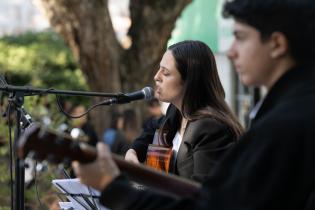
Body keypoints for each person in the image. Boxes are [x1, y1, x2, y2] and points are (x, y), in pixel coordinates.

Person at [72, 0, 315, 209]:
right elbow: (148, 133)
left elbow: (210, 203)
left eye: (239, 37)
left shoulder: (283, 124)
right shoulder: (173, 115)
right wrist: (133, 153)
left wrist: (114, 188)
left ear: (277, 44)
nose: (230, 52)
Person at [124, 40, 243, 182]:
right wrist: (134, 151)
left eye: (166, 73)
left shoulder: (211, 129)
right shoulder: (175, 112)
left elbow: (201, 195)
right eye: (159, 69)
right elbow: (151, 130)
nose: (156, 77)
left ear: (189, 81)